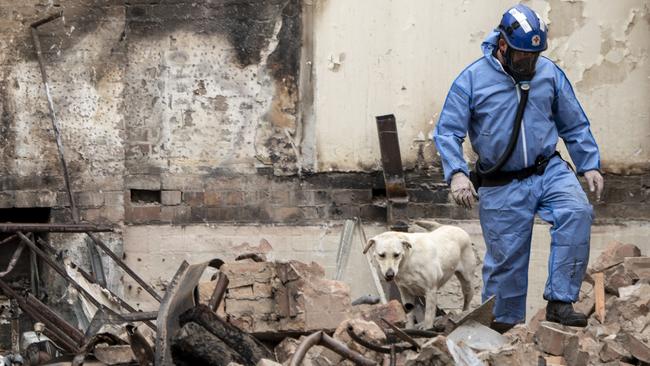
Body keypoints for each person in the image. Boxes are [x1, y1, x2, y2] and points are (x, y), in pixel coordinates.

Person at [433, 4, 604, 332]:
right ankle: (504, 330)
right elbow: (448, 131)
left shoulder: (549, 74)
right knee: (506, 263)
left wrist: (589, 164)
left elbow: (574, 122)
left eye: (535, 56)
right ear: (503, 46)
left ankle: (560, 302)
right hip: (501, 182)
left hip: (547, 169)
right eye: (523, 56)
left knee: (577, 211)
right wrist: (456, 173)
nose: (530, 63)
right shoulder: (471, 81)